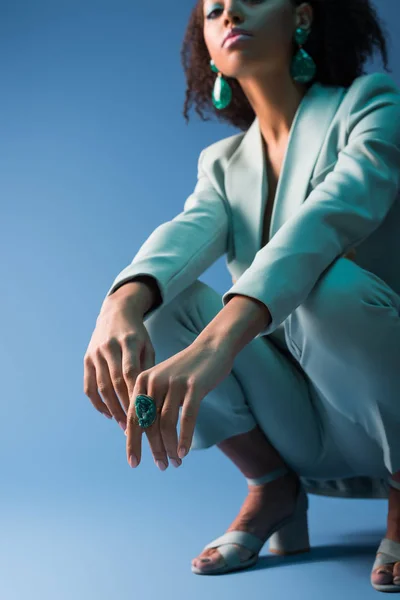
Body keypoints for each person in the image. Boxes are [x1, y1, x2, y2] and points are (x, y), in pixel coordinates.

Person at [83, 0, 400, 592]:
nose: (229, 12)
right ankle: (272, 484)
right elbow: (182, 239)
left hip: (382, 401)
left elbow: (329, 219)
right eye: (212, 10)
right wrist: (119, 303)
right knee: (160, 306)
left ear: (303, 16)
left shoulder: (373, 105)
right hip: (295, 415)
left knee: (324, 283)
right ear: (206, 47)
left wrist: (220, 342)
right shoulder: (222, 164)